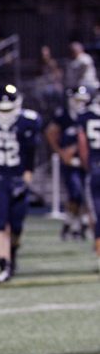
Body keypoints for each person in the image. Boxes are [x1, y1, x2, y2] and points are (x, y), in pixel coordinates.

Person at [0, 84, 42, 283]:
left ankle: (12, 253)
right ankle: (5, 263)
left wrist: (28, 174)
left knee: (17, 225)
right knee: (0, 224)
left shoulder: (28, 121)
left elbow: (31, 151)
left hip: (18, 177)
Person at [47, 87, 91, 240]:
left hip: (89, 162)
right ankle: (73, 224)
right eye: (78, 100)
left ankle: (76, 225)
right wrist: (60, 152)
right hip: (72, 163)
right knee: (76, 194)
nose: (80, 103)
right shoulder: (64, 115)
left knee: (87, 196)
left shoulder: (89, 115)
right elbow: (50, 133)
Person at [76, 91, 100, 273]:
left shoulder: (85, 115)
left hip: (95, 168)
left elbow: (82, 145)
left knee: (98, 214)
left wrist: (88, 166)